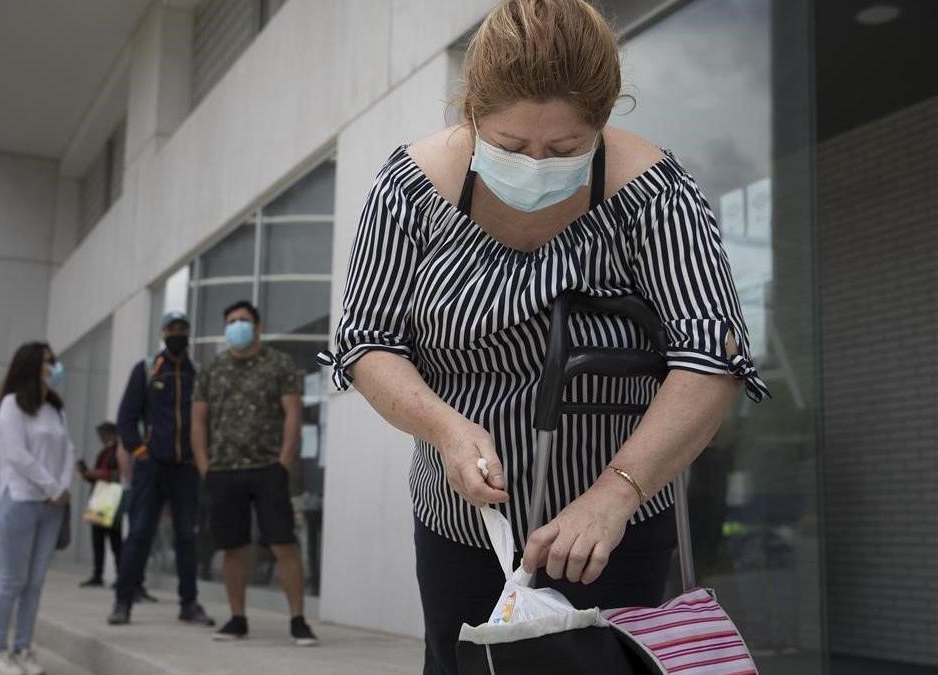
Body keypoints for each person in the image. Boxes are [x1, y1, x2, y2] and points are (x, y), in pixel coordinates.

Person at [316, 1, 770, 672]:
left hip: (611, 526)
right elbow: (368, 341)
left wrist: (617, 490)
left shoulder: (654, 193)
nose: (534, 165)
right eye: (506, 146)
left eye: (562, 150)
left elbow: (710, 359)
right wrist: (444, 427)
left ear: (604, 122)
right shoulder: (410, 190)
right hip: (461, 523)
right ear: (470, 111)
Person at [191, 301, 318, 646]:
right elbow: (198, 420)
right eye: (231, 321)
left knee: (283, 544)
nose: (237, 326)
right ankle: (237, 618)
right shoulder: (212, 370)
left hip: (268, 469)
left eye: (244, 321)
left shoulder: (279, 365)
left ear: (258, 327)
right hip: (223, 471)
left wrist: (284, 461)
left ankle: (298, 620)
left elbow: (293, 414)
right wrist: (205, 467)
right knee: (233, 547)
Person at [108, 311, 214, 626]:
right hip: (151, 467)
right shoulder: (145, 369)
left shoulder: (197, 373)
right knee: (139, 533)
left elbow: (207, 419)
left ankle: (189, 604)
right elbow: (126, 417)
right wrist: (139, 450)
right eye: (172, 329)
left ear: (189, 333)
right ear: (162, 333)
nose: (177, 333)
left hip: (185, 469)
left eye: (183, 328)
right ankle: (122, 602)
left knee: (186, 536)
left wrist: (199, 456)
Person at [0, 342, 74, 675]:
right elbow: (16, 454)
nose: (55, 366)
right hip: (20, 500)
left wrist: (62, 488)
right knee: (12, 580)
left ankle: (22, 648)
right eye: (49, 361)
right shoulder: (11, 405)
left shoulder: (55, 408)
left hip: (52, 507)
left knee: (35, 582)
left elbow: (68, 449)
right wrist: (51, 487)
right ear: (33, 365)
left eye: (55, 361)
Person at [78, 421, 124, 588]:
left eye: (104, 435)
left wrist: (100, 474)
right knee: (97, 539)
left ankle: (121, 576)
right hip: (100, 495)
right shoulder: (103, 453)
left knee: (114, 539)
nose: (101, 438)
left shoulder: (120, 450)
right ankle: (97, 574)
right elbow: (95, 475)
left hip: (111, 494)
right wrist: (86, 473)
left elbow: (120, 473)